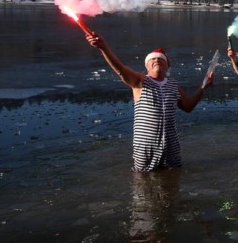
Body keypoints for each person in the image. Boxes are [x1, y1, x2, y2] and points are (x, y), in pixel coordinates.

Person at [86, 31, 212, 171]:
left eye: (161, 59)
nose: (157, 60)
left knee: (173, 179)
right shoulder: (140, 81)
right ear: (146, 66)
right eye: (153, 59)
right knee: (142, 182)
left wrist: (203, 88)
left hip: (171, 145)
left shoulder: (173, 85)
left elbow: (188, 107)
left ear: (167, 66)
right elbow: (120, 69)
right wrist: (103, 47)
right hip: (146, 145)